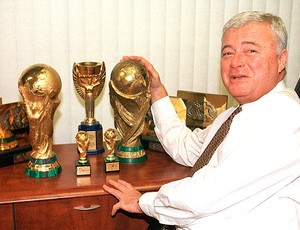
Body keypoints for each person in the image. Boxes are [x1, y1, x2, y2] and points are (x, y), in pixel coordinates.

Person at [103, 11, 300, 230]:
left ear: (281, 59)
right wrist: (157, 92)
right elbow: (186, 148)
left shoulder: (285, 117)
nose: (236, 62)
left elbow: (205, 196)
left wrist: (143, 202)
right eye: (227, 53)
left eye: (250, 51)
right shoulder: (235, 115)